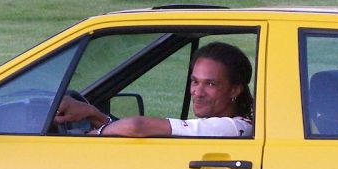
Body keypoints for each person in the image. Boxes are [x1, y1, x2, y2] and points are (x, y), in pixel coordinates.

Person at [54, 42, 254, 137]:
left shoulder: (233, 128)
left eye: (210, 84)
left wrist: (90, 136)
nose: (198, 92)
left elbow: (137, 127)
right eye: (195, 82)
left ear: (235, 90)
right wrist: (92, 113)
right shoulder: (229, 126)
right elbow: (131, 130)